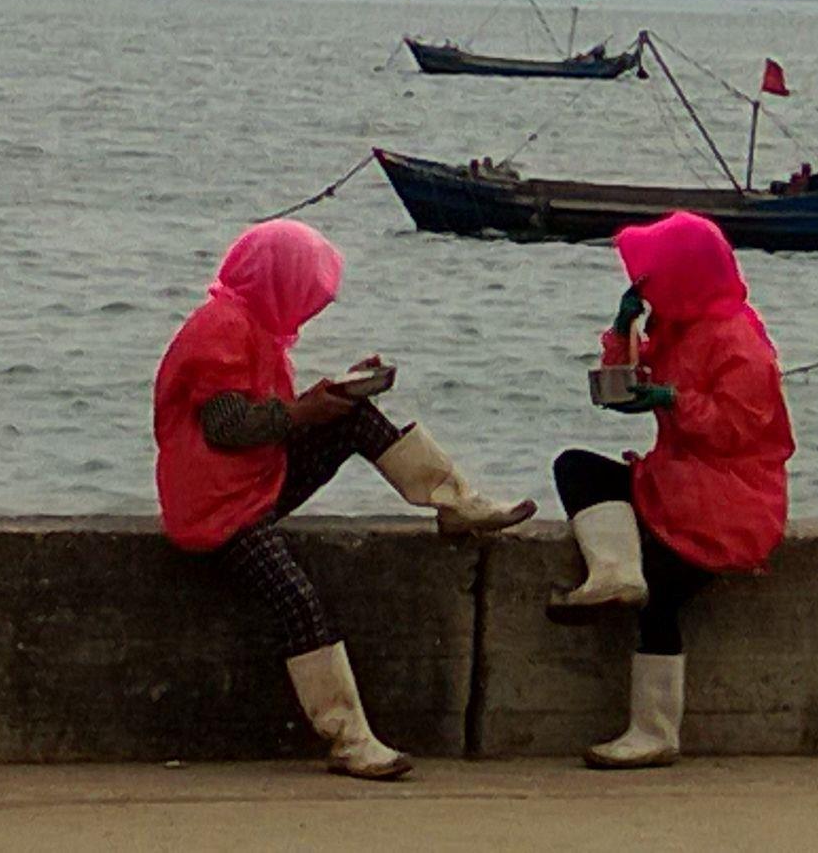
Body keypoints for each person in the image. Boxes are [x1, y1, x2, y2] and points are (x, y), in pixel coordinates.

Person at [153, 220, 536, 781]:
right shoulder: (221, 327)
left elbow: (262, 417)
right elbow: (226, 425)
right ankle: (348, 737)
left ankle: (454, 500)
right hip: (217, 508)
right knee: (296, 598)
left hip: (251, 480)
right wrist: (303, 413)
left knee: (353, 415)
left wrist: (330, 398)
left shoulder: (253, 323)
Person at [550, 212, 796, 770]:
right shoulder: (680, 324)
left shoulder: (741, 343)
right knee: (575, 467)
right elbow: (622, 388)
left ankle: (654, 730)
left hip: (731, 503)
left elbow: (736, 430)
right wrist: (624, 332)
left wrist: (672, 400)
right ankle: (615, 574)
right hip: (674, 482)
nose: (647, 291)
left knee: (663, 591)